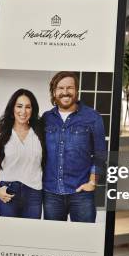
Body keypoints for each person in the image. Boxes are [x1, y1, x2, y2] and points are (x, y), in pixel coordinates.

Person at [42, 71, 106, 223]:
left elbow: (101, 154)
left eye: (69, 88)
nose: (65, 92)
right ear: (54, 92)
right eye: (60, 88)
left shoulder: (92, 117)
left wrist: (92, 183)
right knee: (55, 241)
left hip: (81, 193)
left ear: (76, 90)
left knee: (84, 241)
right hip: (51, 193)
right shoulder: (45, 118)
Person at [0, 89, 44, 219]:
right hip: (8, 192)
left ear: (32, 110)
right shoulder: (0, 133)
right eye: (19, 106)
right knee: (8, 236)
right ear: (13, 108)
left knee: (29, 236)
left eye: (28, 107)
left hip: (34, 194)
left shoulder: (40, 133)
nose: (23, 111)